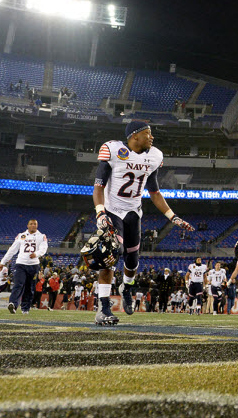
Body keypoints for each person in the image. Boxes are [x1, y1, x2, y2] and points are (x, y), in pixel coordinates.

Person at [92, 120, 194, 325]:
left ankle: (126, 288)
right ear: (135, 136)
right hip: (112, 210)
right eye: (148, 133)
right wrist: (100, 213)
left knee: (132, 260)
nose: (152, 137)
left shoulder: (154, 156)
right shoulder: (113, 150)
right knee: (111, 254)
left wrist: (172, 216)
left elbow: (155, 193)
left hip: (133, 212)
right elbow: (99, 187)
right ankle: (103, 308)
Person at [0, 219, 47, 315]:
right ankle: (13, 304)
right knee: (18, 284)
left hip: (33, 265)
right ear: (27, 225)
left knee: (29, 288)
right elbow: (12, 249)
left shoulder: (41, 236)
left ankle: (25, 308)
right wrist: (3, 262)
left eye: (35, 224)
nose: (33, 225)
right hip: (21, 264)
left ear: (37, 225)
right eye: (31, 224)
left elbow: (44, 248)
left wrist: (37, 254)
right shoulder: (21, 235)